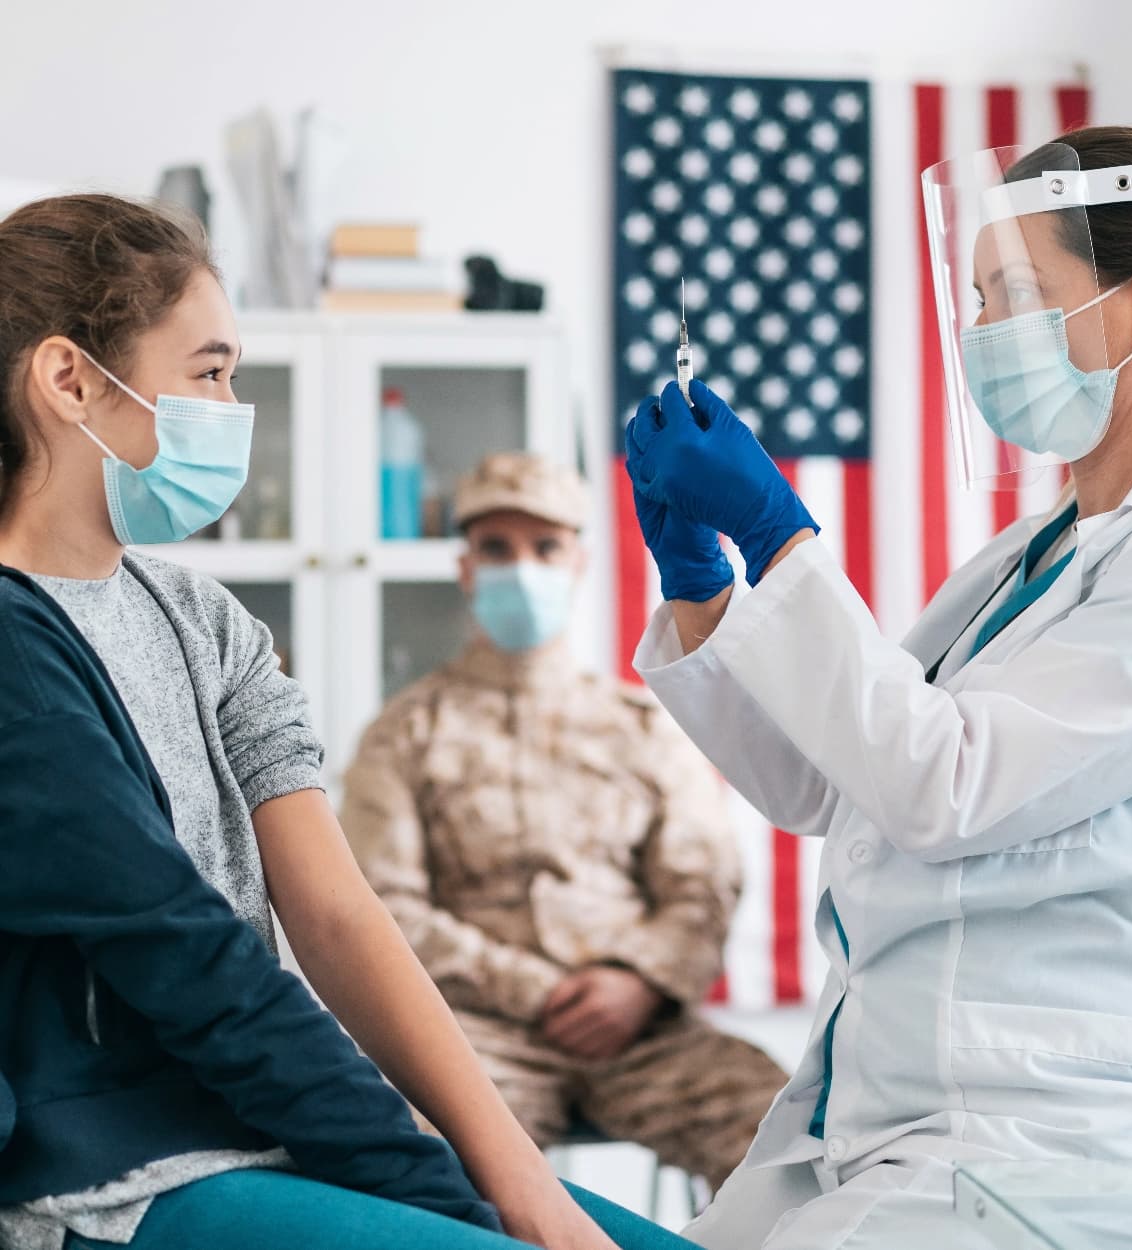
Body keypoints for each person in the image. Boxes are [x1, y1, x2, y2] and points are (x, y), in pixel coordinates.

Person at [0, 194, 693, 1250]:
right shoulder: (14, 648)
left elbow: (338, 915)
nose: (234, 405)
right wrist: (460, 1203)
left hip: (271, 1129)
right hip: (121, 1175)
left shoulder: (203, 619)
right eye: (210, 371)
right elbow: (198, 967)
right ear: (69, 379)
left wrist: (523, 1184)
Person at [623, 124, 1132, 1249]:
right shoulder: (1029, 552)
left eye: (1012, 292)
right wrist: (702, 582)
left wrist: (779, 532)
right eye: (979, 297)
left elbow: (948, 785)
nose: (982, 331)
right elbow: (829, 778)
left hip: (1055, 1145)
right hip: (893, 1122)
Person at [341, 451, 788, 1194]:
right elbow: (382, 907)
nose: (521, 567)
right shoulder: (406, 732)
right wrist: (534, 991)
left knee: (790, 1138)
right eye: (496, 548)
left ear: (578, 562)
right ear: (465, 569)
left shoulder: (645, 725)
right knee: (412, 1165)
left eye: (544, 547)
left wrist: (639, 982)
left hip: (643, 1033)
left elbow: (702, 881)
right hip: (474, 1035)